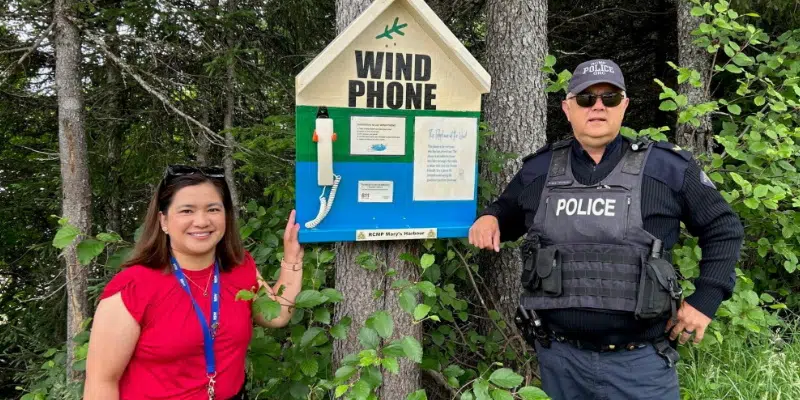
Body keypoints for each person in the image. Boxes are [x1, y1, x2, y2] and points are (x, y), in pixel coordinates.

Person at [469, 59, 744, 399]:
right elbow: (507, 212)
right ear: (567, 108)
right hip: (560, 360)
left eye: (609, 98)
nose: (597, 106)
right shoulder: (540, 170)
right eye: (585, 98)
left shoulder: (666, 167)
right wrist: (490, 217)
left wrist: (705, 300)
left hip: (640, 363)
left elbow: (724, 227)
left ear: (624, 105)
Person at [84, 165, 304, 400]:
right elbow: (101, 383)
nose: (201, 221)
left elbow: (277, 314)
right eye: (187, 211)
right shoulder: (133, 287)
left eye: (212, 209)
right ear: (164, 221)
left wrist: (292, 258)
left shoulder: (240, 268)